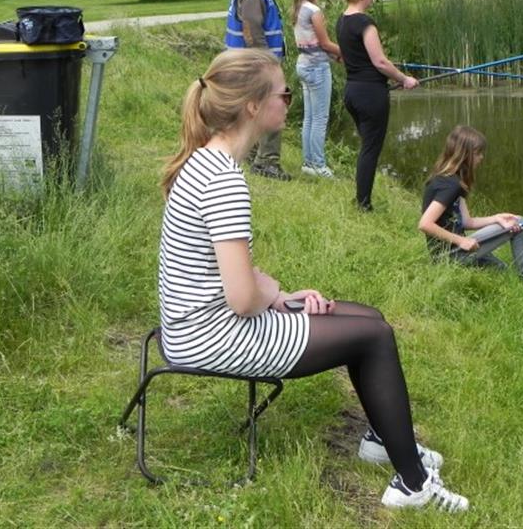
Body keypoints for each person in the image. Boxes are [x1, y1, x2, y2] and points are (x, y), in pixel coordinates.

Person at [158, 48, 469, 512]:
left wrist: (281, 296)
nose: (291, 101)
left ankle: (382, 441)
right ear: (252, 106)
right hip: (210, 336)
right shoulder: (224, 181)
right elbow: (242, 298)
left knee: (370, 318)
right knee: (374, 338)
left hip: (194, 324)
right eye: (284, 94)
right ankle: (413, 484)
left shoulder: (207, 161)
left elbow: (227, 275)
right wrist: (272, 295)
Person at [335, 0, 419, 211]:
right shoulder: (365, 23)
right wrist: (404, 79)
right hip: (370, 95)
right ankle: (363, 204)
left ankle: (361, 199)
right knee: (370, 150)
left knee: (367, 147)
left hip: (352, 92)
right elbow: (380, 61)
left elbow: (352, 57)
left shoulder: (342, 20)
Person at [418, 125, 523, 286]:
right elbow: (425, 224)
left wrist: (496, 218)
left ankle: (521, 282)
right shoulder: (450, 185)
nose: (481, 157)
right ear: (464, 154)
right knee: (519, 222)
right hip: (450, 255)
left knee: (501, 270)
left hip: (450, 254)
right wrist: (461, 241)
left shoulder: (451, 180)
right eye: (477, 153)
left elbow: (467, 222)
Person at [225, 0, 291, 181]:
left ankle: (251, 154)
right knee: (275, 105)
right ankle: (267, 162)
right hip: (256, 62)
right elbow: (252, 31)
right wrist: (268, 64)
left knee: (253, 108)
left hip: (248, 60)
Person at [292, 0, 341, 178]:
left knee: (310, 117)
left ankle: (308, 163)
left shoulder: (298, 8)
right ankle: (319, 166)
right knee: (320, 119)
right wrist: (348, 52)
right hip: (317, 68)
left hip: (303, 65)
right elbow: (325, 43)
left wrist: (335, 56)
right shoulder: (314, 11)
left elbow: (312, 44)